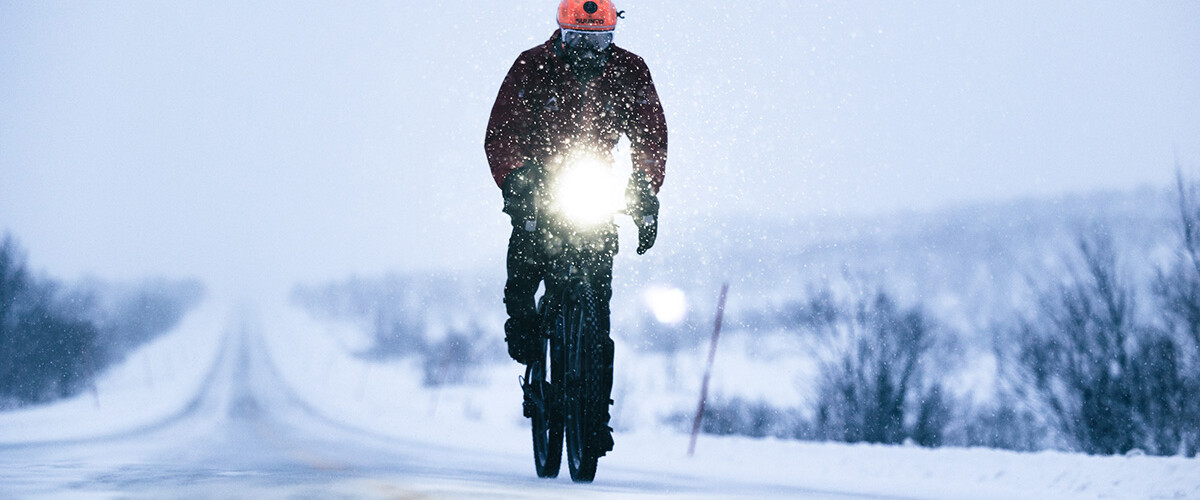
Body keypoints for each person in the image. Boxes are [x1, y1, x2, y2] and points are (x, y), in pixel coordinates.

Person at [485, 0, 667, 454]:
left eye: (598, 41)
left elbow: (650, 134)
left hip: (594, 195)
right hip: (541, 190)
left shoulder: (629, 71)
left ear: (612, 36)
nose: (589, 51)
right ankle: (526, 338)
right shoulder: (531, 67)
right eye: (579, 41)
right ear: (562, 35)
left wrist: (644, 190)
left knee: (598, 316)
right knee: (524, 270)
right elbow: (502, 132)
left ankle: (594, 416)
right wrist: (517, 179)